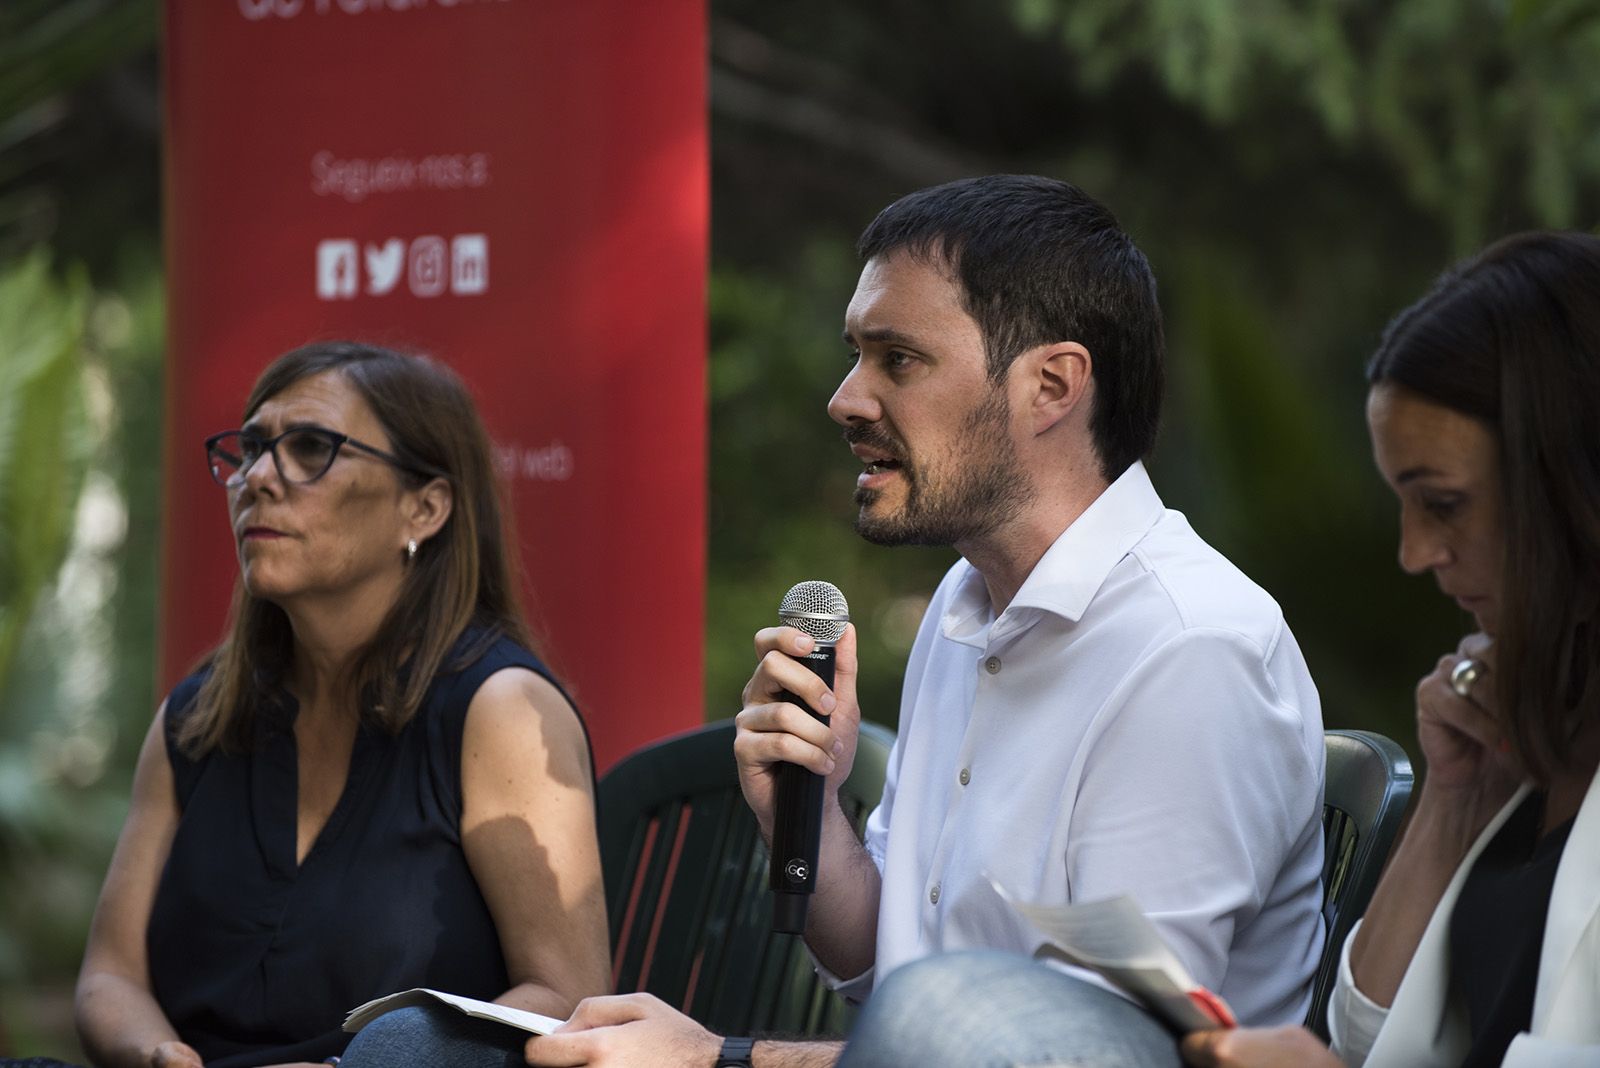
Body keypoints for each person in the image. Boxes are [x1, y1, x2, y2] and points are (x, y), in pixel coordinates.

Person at [508, 174, 1327, 1068]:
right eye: (856, 355)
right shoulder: (966, 601)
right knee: (419, 1043)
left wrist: (722, 1061)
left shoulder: (1192, 647)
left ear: (1051, 384)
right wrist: (812, 811)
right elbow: (883, 970)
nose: (846, 399)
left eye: (897, 360)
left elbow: (1080, 1054)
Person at [72, 342, 611, 1067]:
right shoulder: (195, 718)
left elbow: (567, 1001)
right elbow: (110, 975)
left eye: (310, 449)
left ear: (423, 507)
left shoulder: (501, 710)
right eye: (254, 448)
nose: (258, 478)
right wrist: (158, 1055)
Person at [1182, 232, 1600, 1067]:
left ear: (1573, 478)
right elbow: (1369, 1037)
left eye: (1443, 503)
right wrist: (1451, 799)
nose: (1414, 553)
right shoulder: (1526, 730)